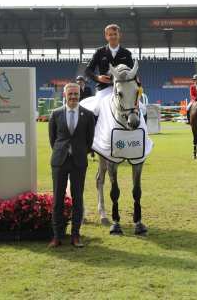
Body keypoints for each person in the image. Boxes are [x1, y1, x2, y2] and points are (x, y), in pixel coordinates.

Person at [48, 83, 95, 248]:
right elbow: (53, 140)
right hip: (59, 161)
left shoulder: (88, 115)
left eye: (76, 94)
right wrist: (62, 151)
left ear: (80, 94)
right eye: (71, 94)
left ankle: (75, 236)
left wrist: (79, 151)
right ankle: (57, 236)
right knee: (57, 200)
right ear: (65, 95)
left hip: (79, 162)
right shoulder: (55, 114)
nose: (73, 97)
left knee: (78, 199)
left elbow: (90, 141)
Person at [85, 24, 134, 99]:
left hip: (122, 88)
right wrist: (98, 78)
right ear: (106, 36)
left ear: (119, 35)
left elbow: (132, 72)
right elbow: (88, 70)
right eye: (110, 34)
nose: (113, 37)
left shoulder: (127, 53)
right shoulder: (99, 52)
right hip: (103, 88)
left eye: (115, 34)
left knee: (139, 107)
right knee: (96, 108)